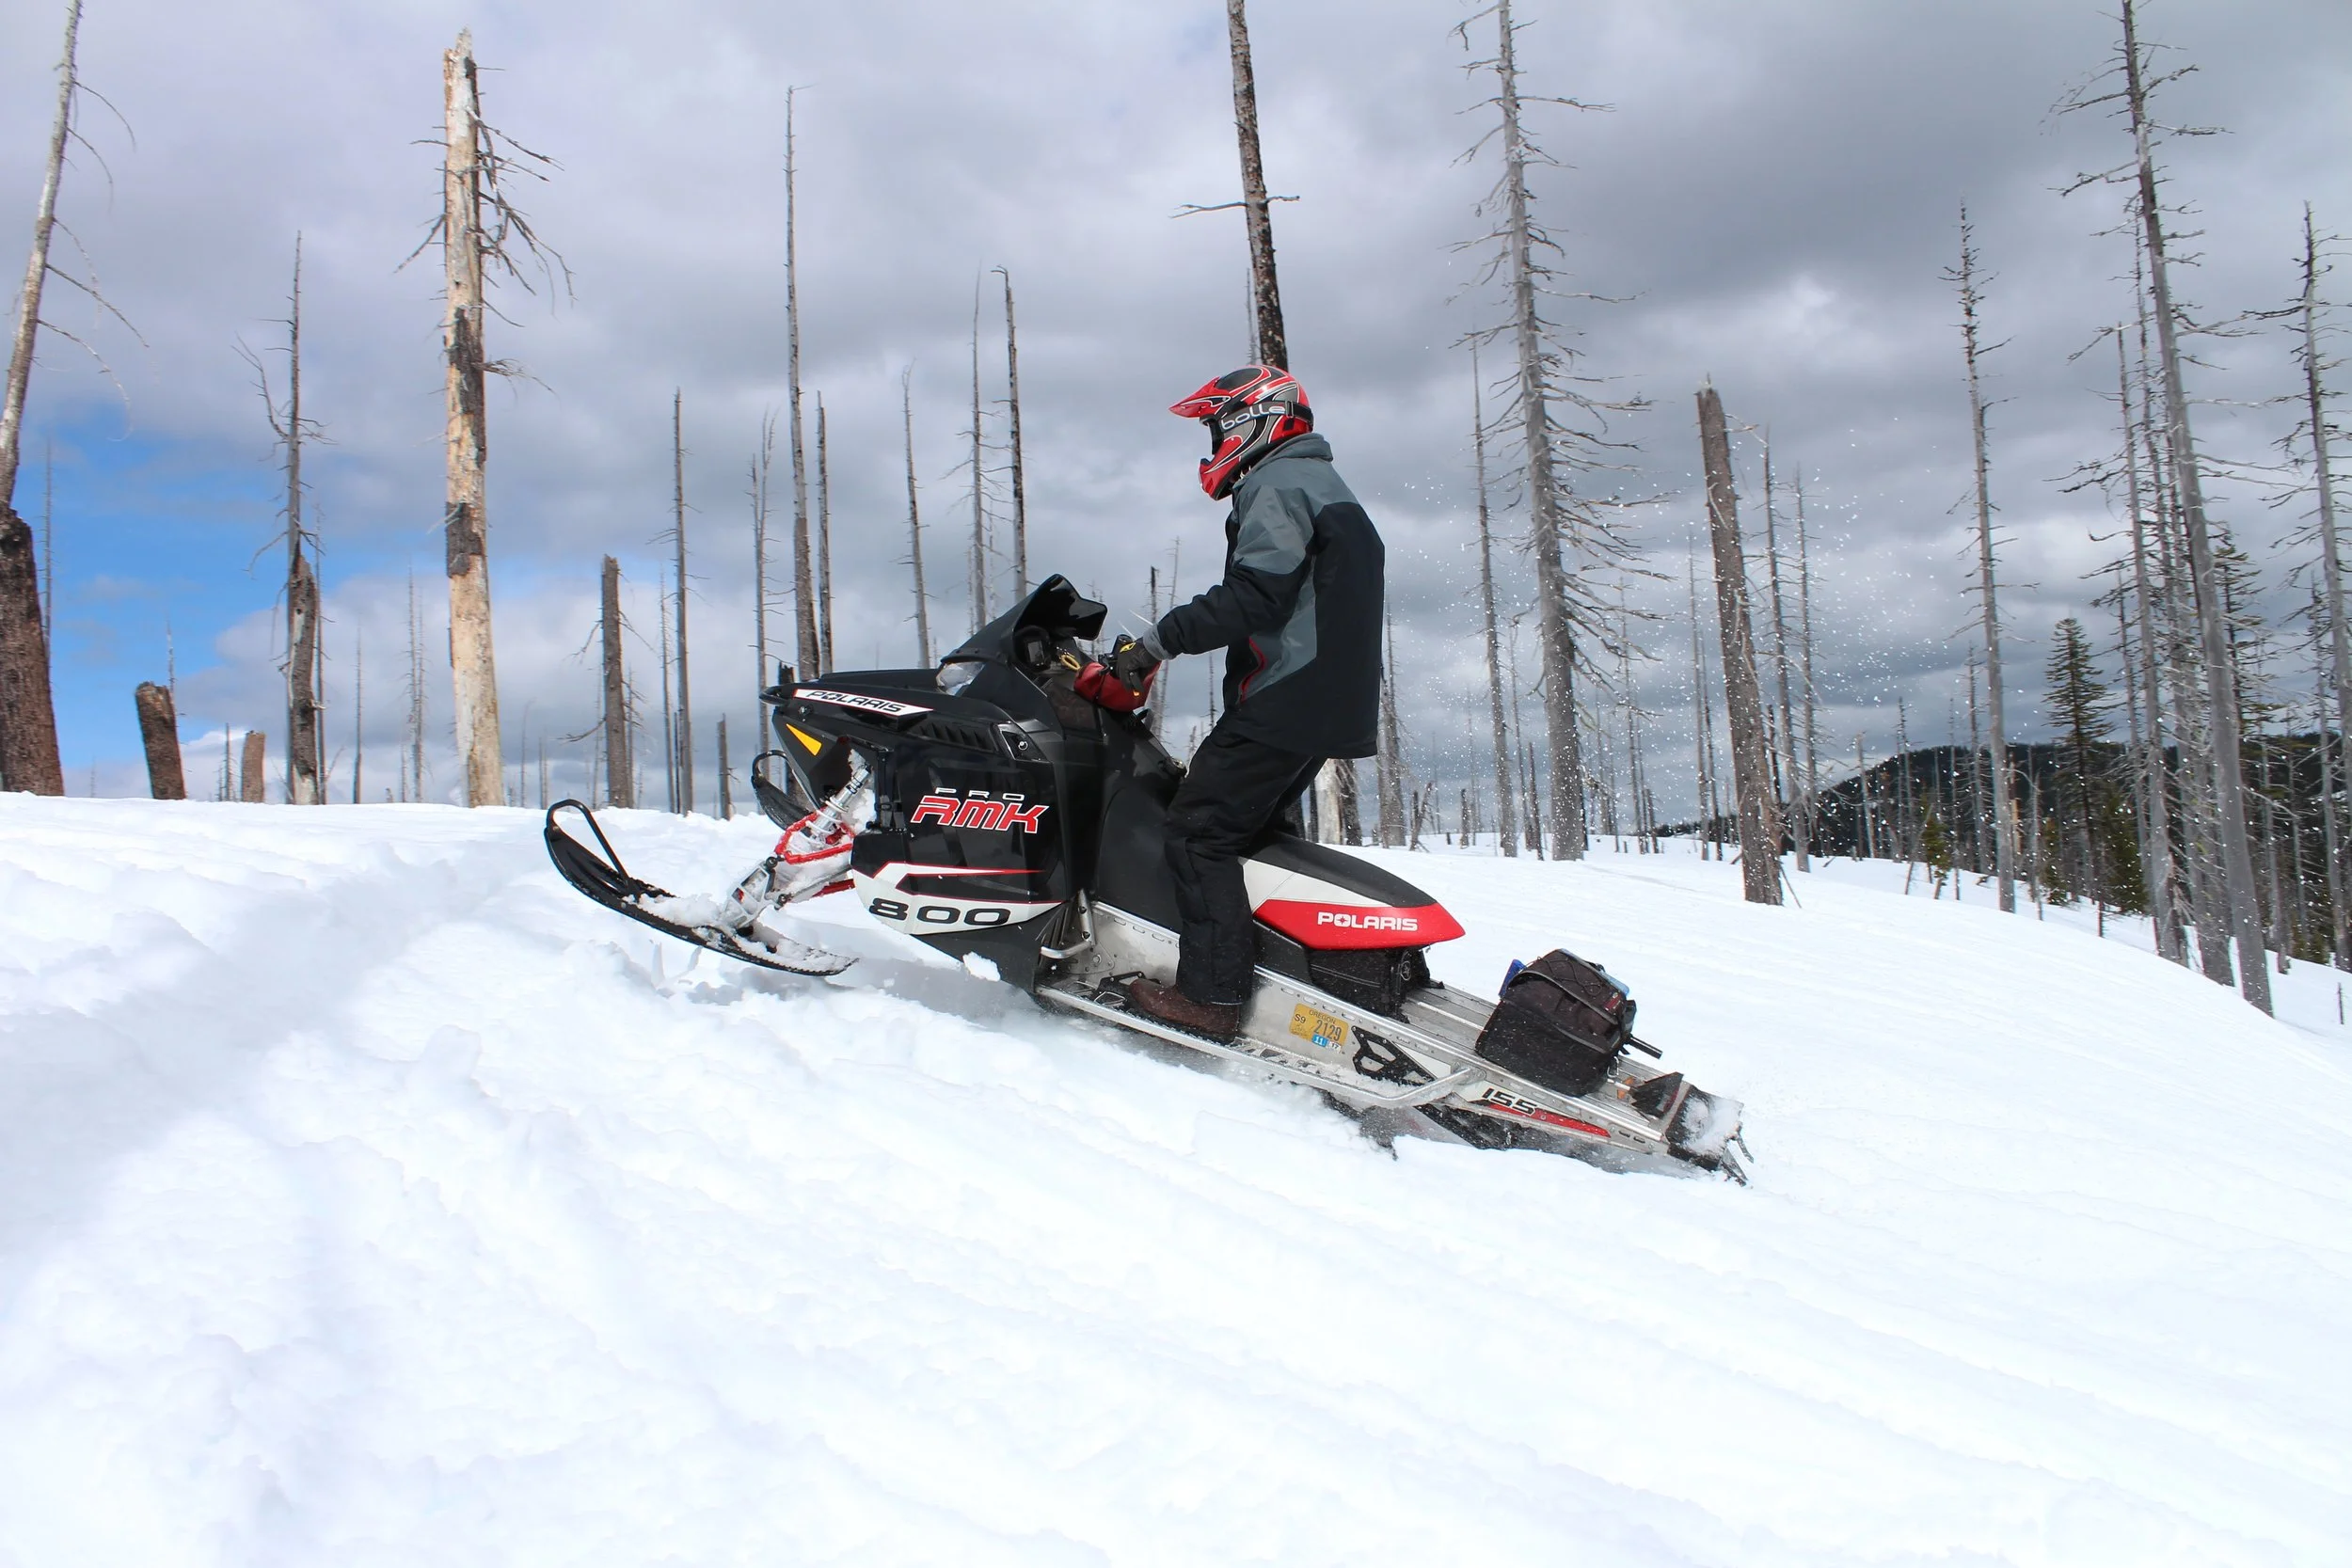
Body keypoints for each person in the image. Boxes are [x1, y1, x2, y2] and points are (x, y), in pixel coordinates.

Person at [1109, 364, 1385, 1037]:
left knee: (1198, 833)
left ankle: (1212, 997)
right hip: (1323, 699)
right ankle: (1291, 974)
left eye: (1215, 429)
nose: (1212, 446)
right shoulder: (1322, 483)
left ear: (1250, 423)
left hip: (1288, 696)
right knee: (1257, 838)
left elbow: (1256, 594)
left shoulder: (1277, 482)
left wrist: (1155, 643)